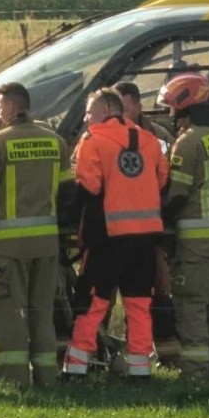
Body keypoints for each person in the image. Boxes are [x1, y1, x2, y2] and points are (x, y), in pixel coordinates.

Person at [0, 83, 72, 387]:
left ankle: (14, 379)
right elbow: (67, 193)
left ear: (12, 107)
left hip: (9, 244)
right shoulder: (56, 143)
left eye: (0, 108)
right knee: (42, 311)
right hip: (46, 243)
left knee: (12, 311)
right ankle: (46, 376)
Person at [63, 88, 169, 380]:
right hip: (145, 239)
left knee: (92, 303)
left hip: (108, 239)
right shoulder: (150, 141)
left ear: (102, 112)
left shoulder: (93, 140)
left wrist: (69, 219)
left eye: (88, 113)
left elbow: (89, 186)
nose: (86, 119)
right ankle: (140, 370)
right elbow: (162, 180)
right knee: (138, 304)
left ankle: (76, 368)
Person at [159, 73, 209, 378]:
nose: (170, 115)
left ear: (185, 106)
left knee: (191, 305)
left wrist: (161, 220)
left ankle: (195, 373)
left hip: (197, 242)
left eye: (172, 108)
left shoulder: (188, 143)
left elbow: (177, 194)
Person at [115, 81, 180, 367]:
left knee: (156, 290)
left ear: (139, 108)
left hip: (151, 226)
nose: (119, 115)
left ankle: (166, 355)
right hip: (115, 227)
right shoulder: (101, 135)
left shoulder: (158, 136)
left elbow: (165, 178)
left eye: (124, 108)